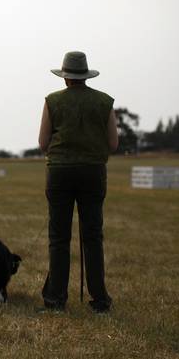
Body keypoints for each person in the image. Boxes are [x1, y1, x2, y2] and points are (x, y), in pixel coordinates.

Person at [37, 51, 118, 313]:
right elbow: (113, 143)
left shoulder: (53, 101)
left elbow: (42, 143)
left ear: (65, 77)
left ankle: (55, 299)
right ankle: (100, 300)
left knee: (59, 237)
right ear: (84, 75)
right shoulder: (104, 102)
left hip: (60, 172)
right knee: (92, 236)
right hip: (93, 172)